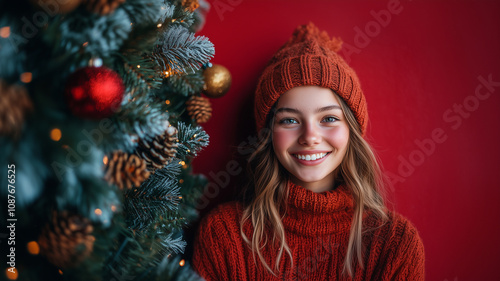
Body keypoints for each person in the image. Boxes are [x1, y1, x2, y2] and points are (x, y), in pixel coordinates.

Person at [192, 22, 425, 281]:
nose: (310, 137)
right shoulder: (225, 234)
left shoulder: (395, 243)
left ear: (352, 131)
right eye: (289, 120)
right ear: (268, 134)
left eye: (329, 119)